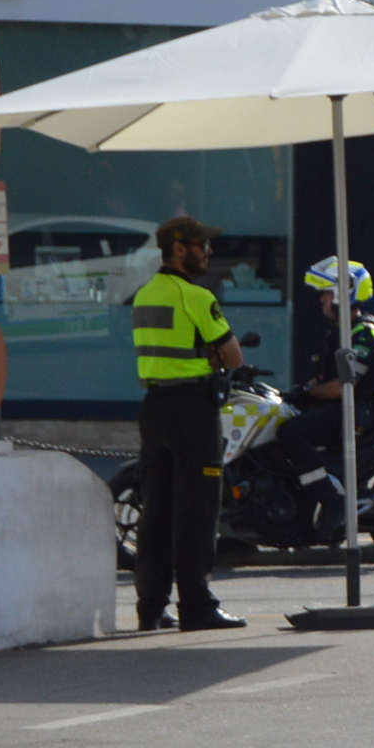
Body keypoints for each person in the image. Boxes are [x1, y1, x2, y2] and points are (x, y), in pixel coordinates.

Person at [129, 215, 245, 631]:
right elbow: (233, 356)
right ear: (179, 249)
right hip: (192, 410)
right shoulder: (194, 296)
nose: (208, 252)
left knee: (156, 512)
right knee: (198, 510)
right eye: (202, 245)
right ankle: (197, 605)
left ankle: (151, 606)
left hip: (155, 409)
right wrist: (211, 358)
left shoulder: (144, 295)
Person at [276, 256, 374, 535]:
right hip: (342, 408)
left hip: (358, 411)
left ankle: (332, 499)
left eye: (326, 294)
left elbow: (343, 386)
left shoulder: (366, 333)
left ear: (345, 292)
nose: (322, 301)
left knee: (290, 433)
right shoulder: (340, 331)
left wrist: (309, 392)